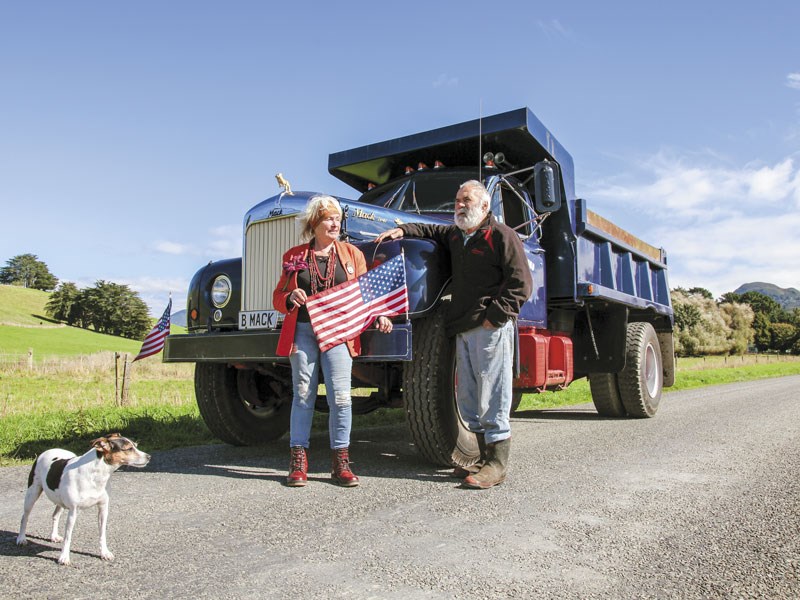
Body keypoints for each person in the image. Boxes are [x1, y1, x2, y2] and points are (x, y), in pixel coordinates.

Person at [375, 180, 532, 489]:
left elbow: (521, 283)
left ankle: (498, 464)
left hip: (490, 328)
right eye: (458, 200)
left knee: (493, 393)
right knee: (470, 396)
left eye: (467, 200)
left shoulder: (501, 236)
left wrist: (494, 316)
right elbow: (432, 231)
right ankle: (481, 458)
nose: (460, 205)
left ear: (485, 206)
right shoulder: (457, 235)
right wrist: (403, 230)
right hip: (462, 327)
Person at [273, 195, 393, 487]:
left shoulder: (352, 254)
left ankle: (341, 462)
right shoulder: (294, 256)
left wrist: (380, 315)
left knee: (341, 396)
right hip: (303, 330)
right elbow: (278, 297)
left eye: (338, 218)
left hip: (338, 333)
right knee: (303, 393)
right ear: (314, 223)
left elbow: (366, 294)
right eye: (329, 218)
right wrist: (290, 297)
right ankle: (298, 461)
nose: (335, 222)